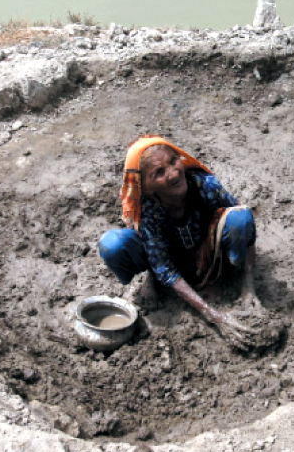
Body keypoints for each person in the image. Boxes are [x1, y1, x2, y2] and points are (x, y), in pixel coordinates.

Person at [98, 135, 263, 349]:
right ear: (147, 187)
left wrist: (249, 287)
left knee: (239, 218)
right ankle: (152, 276)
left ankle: (219, 276)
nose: (174, 173)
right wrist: (213, 315)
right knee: (112, 244)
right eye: (159, 172)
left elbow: (246, 223)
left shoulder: (203, 185)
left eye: (173, 161)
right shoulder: (148, 211)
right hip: (169, 256)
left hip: (208, 253)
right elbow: (165, 267)